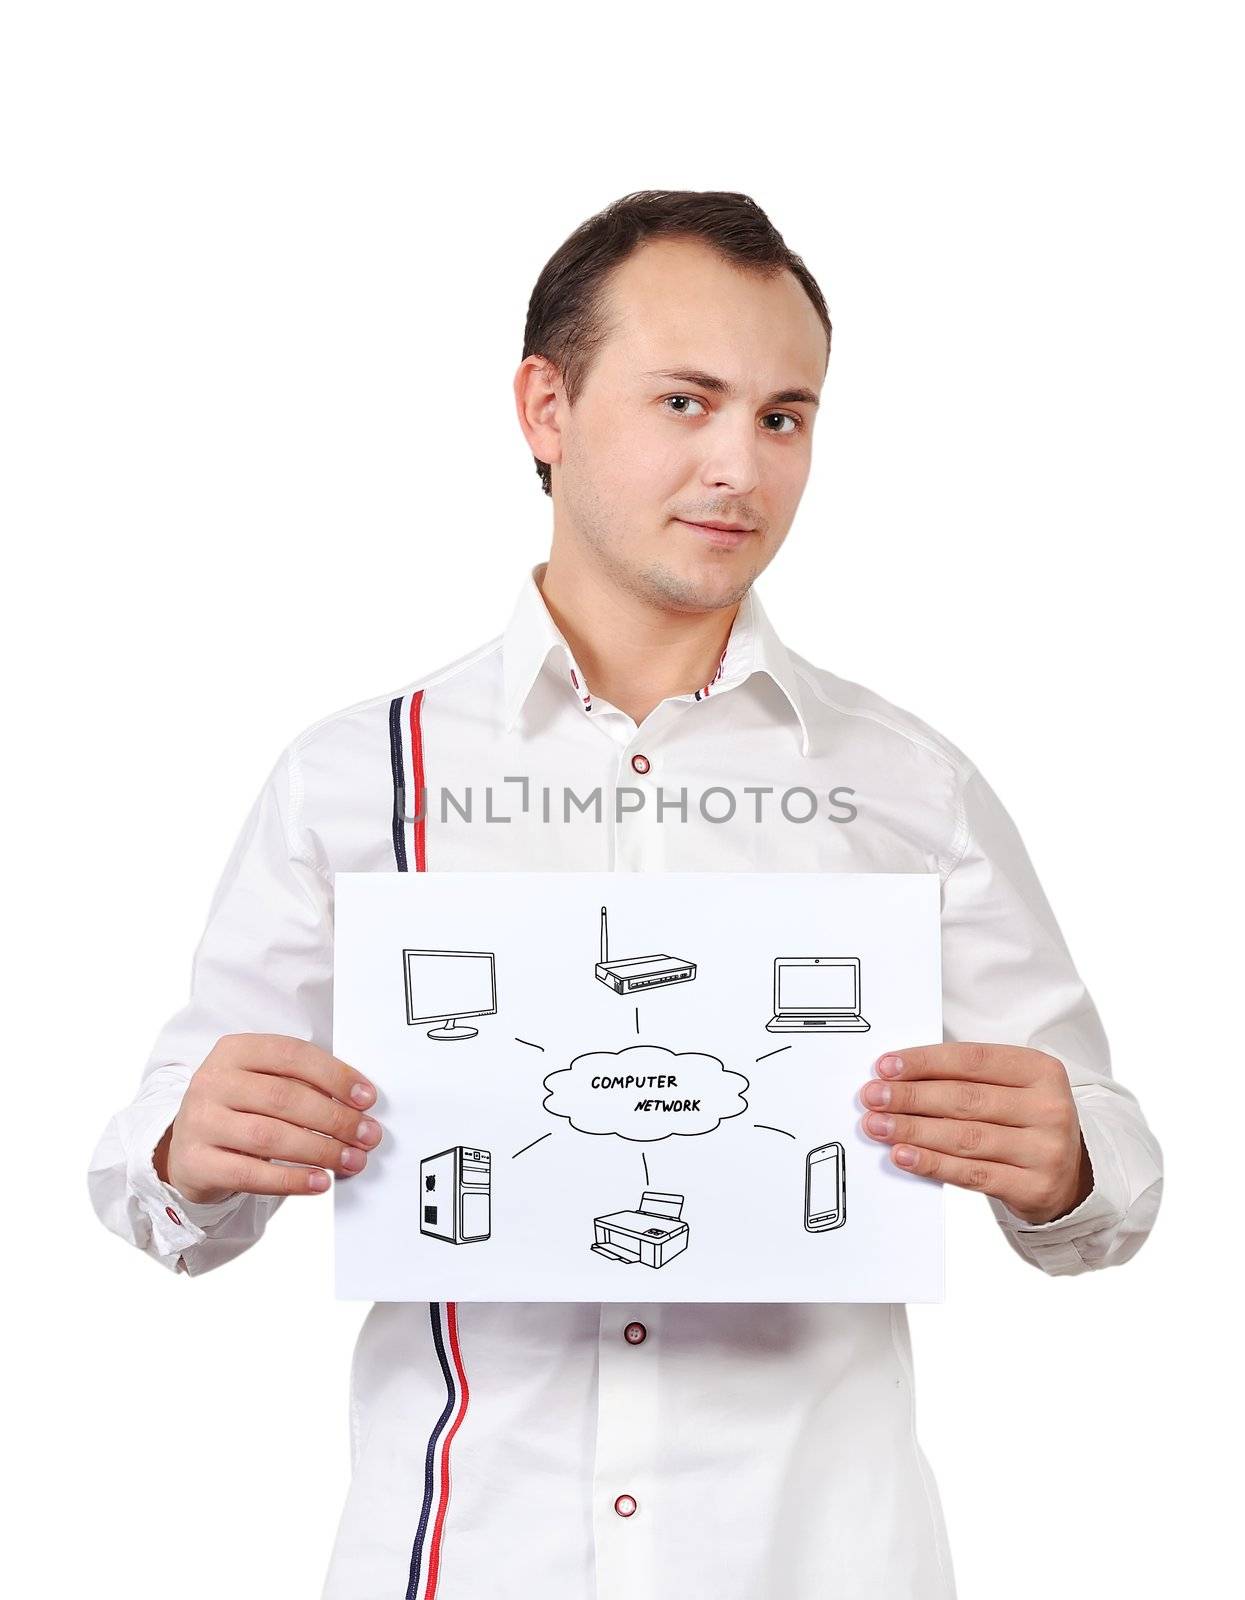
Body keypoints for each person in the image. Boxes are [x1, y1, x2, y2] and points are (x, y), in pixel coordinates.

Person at [87, 189, 1163, 1600]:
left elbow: (1112, 1170)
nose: (739, 464)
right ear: (545, 406)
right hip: (469, 1562)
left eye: (784, 416)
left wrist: (1063, 1159)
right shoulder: (356, 779)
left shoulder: (908, 786)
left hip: (816, 1564)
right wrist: (193, 1144)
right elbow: (155, 1185)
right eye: (685, 401)